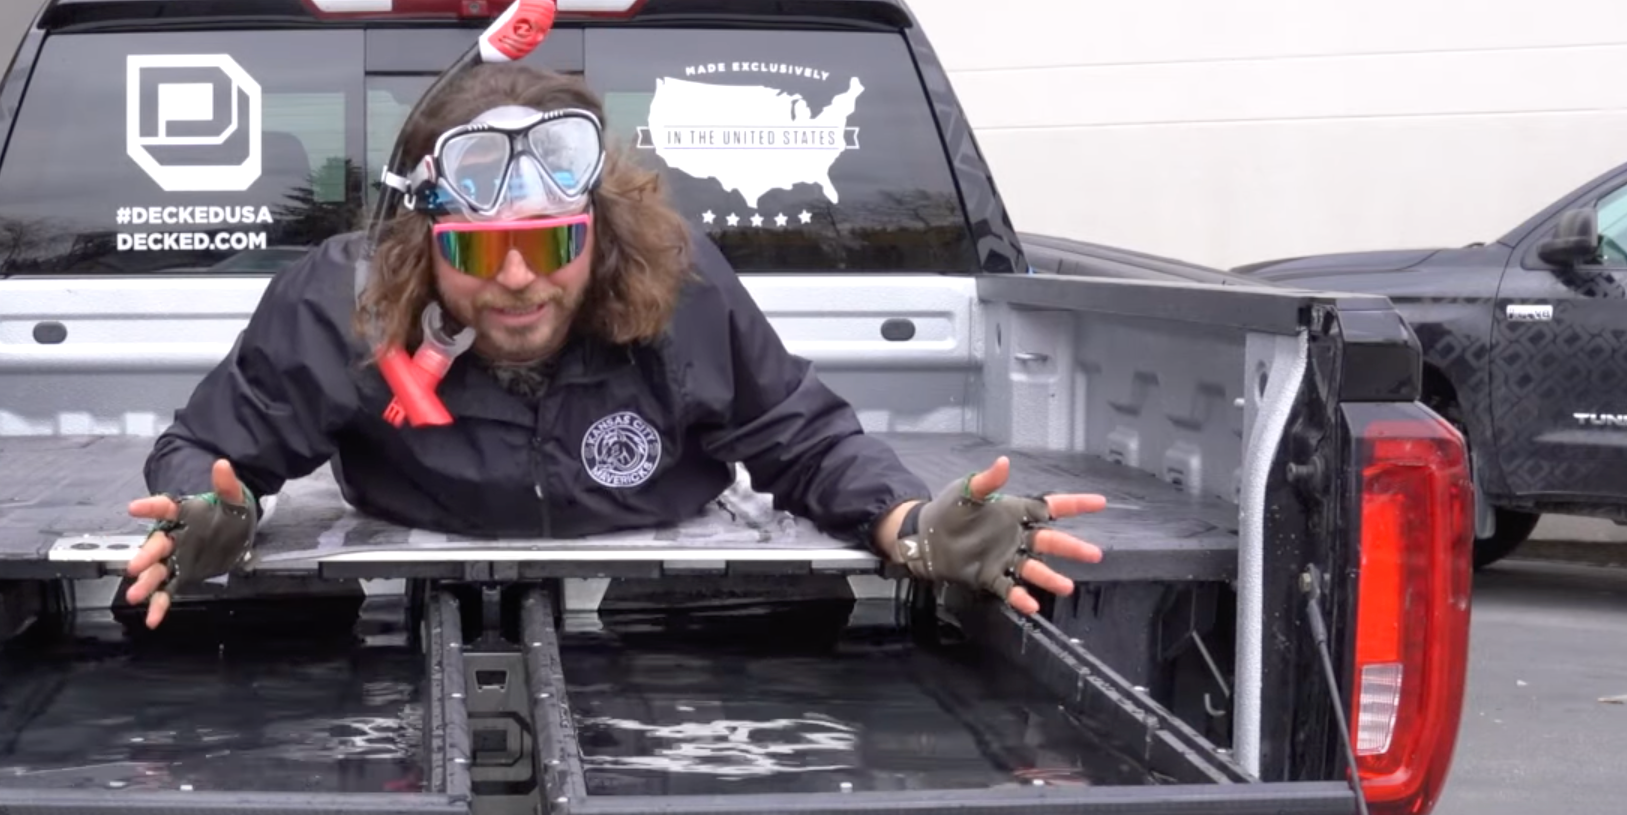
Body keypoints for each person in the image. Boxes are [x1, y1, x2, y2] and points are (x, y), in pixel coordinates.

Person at [123, 62, 1106, 628]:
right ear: (425, 246)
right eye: (483, 251)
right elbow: (206, 451)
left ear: (596, 233)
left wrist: (910, 523)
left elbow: (803, 437)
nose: (520, 281)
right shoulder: (343, 303)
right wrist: (215, 515)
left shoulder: (678, 282)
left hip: (662, 619)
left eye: (555, 245)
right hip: (408, 608)